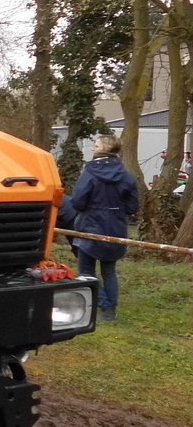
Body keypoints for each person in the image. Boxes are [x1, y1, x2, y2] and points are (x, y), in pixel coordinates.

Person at [71, 134, 140, 323]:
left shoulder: (90, 173)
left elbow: (77, 201)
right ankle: (109, 311)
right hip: (115, 227)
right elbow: (133, 206)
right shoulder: (126, 175)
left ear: (104, 149)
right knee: (109, 271)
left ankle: (102, 304)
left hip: (89, 226)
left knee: (86, 271)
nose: (93, 148)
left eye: (96, 145)